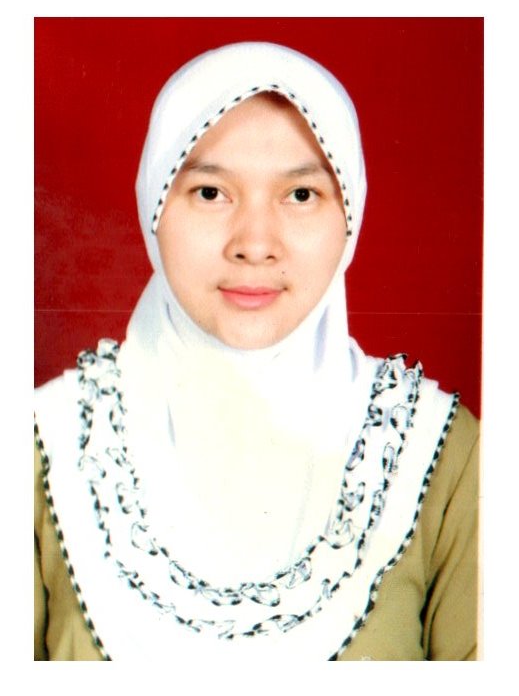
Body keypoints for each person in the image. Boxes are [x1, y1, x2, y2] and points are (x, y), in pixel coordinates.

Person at [34, 41, 479, 661]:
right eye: (210, 192)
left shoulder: (438, 454)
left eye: (301, 195)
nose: (254, 243)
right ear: (153, 205)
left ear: (349, 216)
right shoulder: (47, 446)